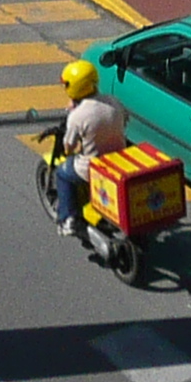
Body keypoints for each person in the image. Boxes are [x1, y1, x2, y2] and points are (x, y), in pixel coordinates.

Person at [48, 57, 127, 244]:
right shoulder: (113, 101)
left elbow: (68, 146)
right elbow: (125, 119)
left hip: (92, 167)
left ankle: (69, 219)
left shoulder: (77, 116)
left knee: (62, 174)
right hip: (119, 159)